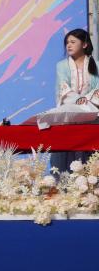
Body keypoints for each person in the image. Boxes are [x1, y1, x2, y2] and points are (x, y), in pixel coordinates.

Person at [50, 29, 99, 170]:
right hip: (70, 114)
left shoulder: (96, 65)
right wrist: (78, 100)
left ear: (84, 44)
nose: (69, 45)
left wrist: (86, 100)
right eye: (67, 43)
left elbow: (97, 89)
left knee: (91, 156)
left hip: (91, 113)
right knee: (65, 154)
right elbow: (63, 88)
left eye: (72, 42)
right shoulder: (61, 66)